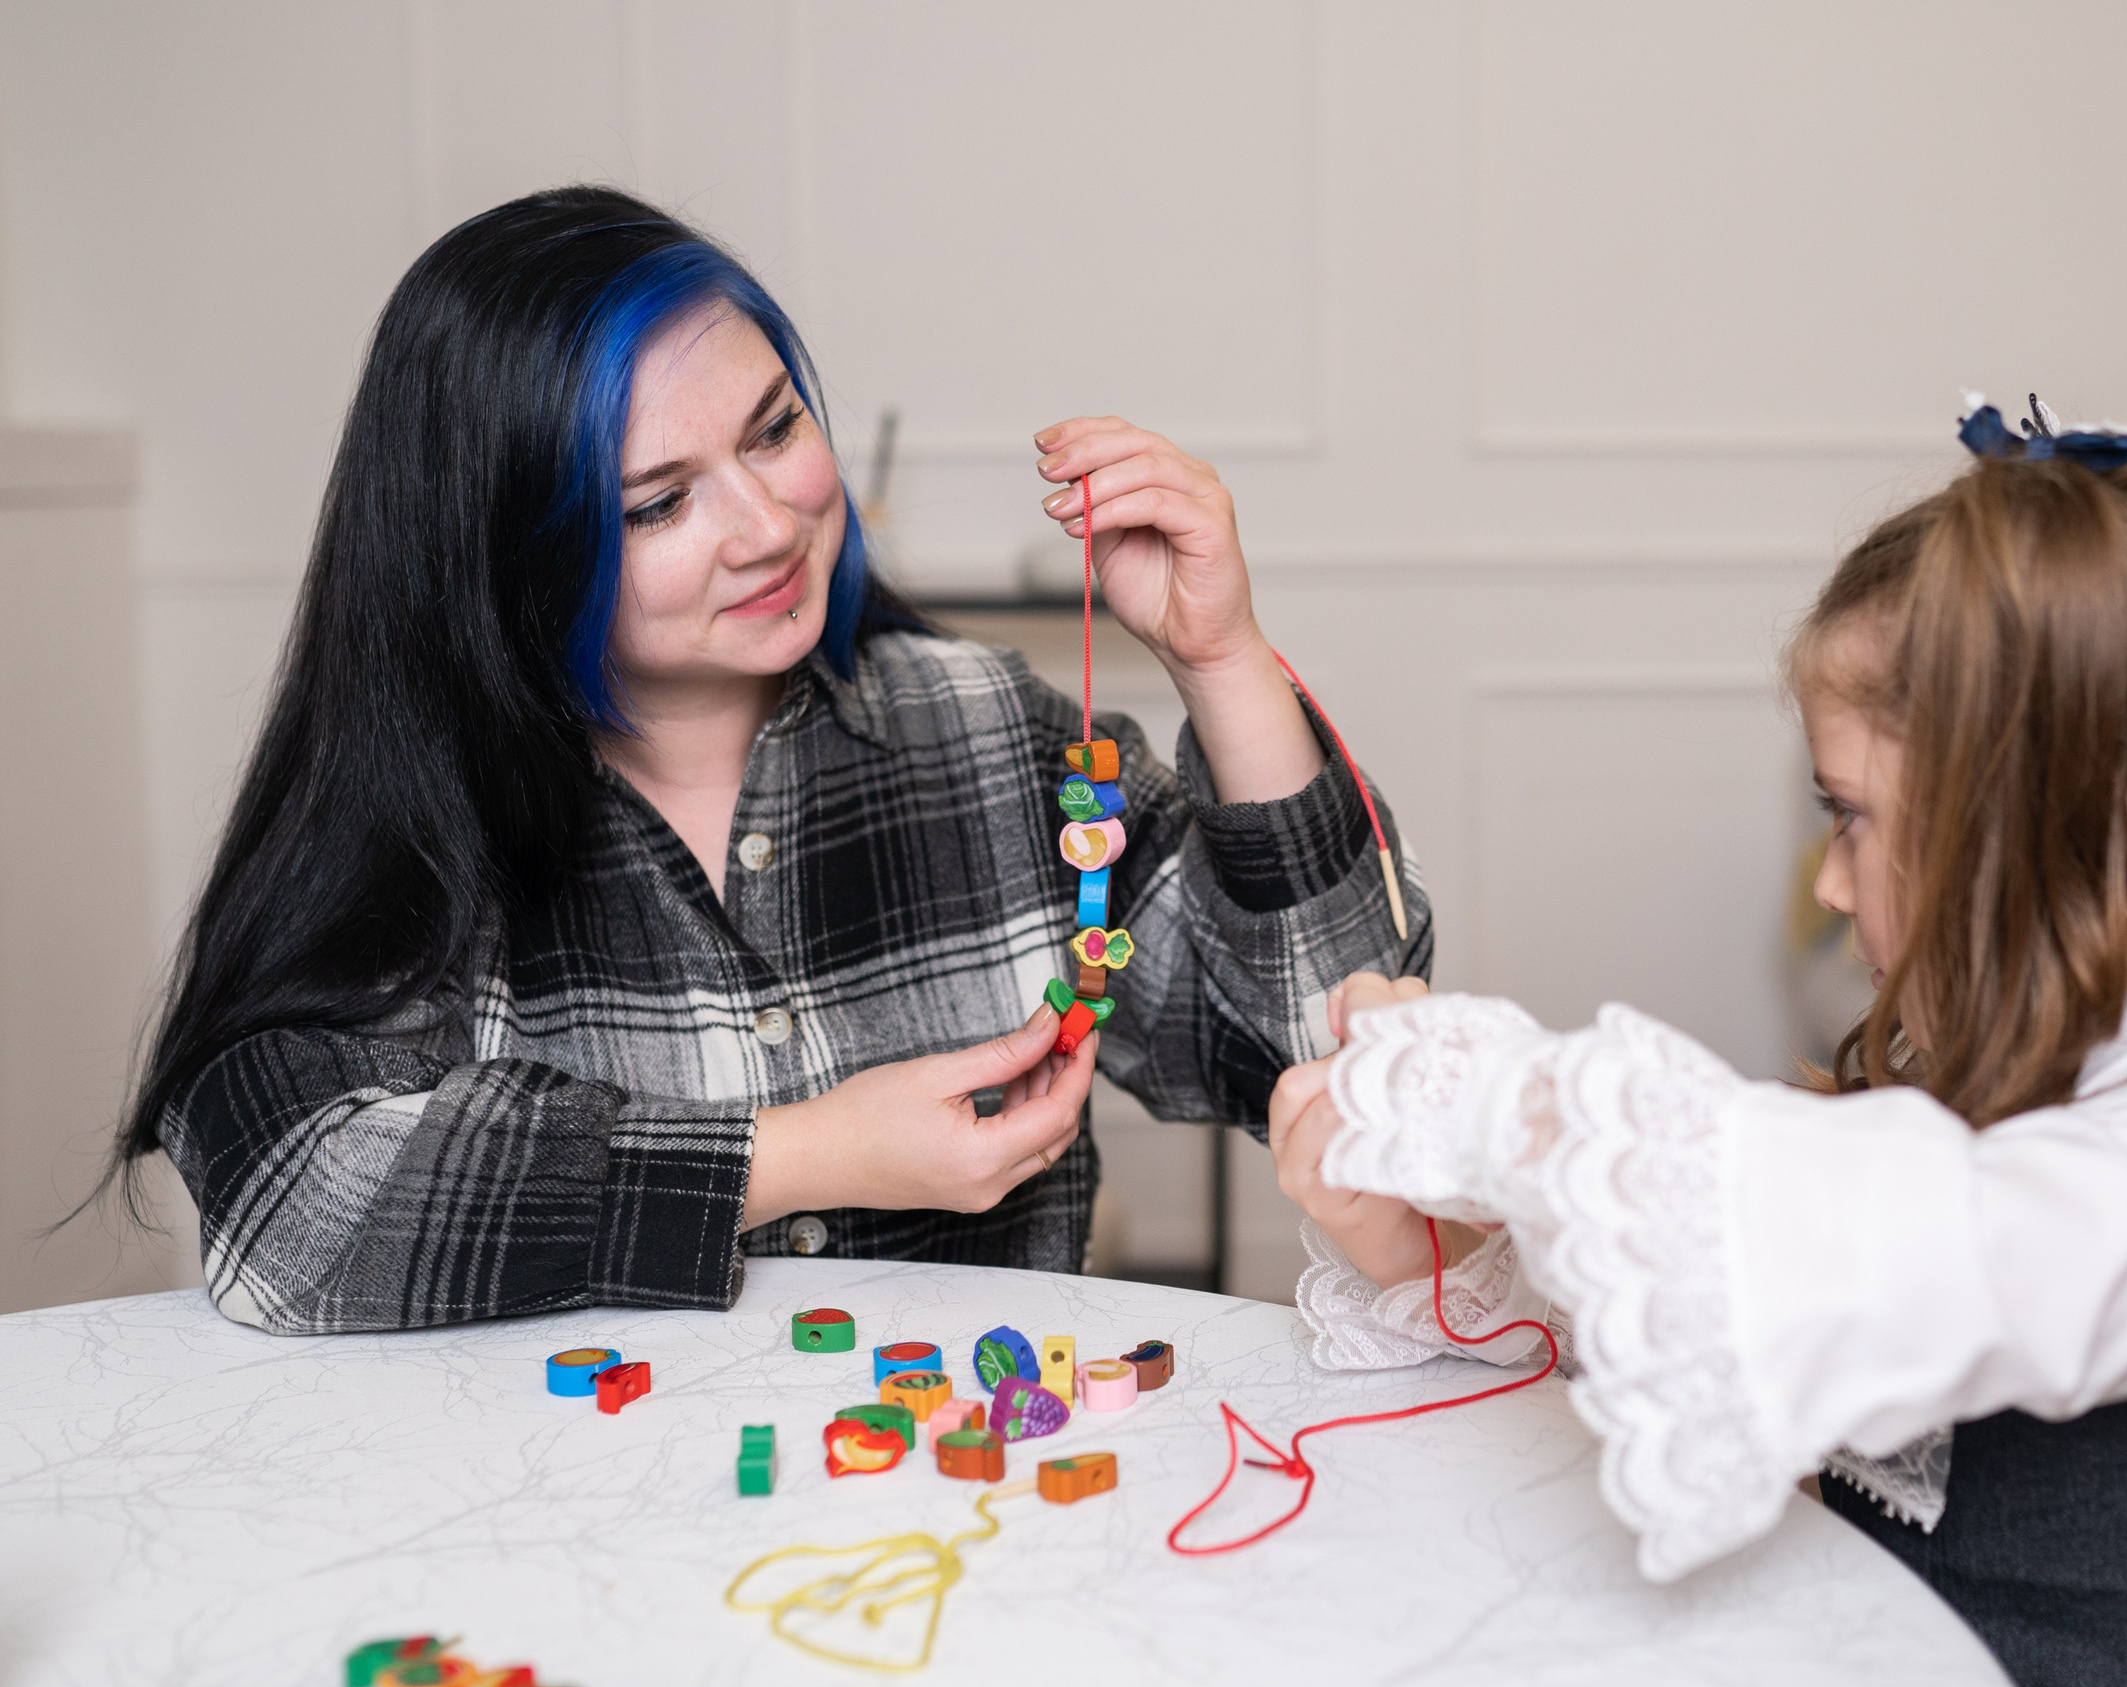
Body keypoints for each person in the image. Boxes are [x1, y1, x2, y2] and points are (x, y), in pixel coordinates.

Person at [1267, 405, 2127, 1687]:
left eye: (1855, 818)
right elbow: (1763, 1339)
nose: (1830, 883)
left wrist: (1490, 1099)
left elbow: (1913, 1241)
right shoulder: (2027, 1054)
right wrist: (1438, 1258)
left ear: (2057, 829)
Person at [117, 186, 1427, 1333]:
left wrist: (1221, 656)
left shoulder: (989, 731)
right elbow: (291, 1206)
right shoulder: (427, 808)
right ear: (505, 552)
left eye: (772, 430)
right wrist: (794, 1157)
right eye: (658, 502)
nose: (765, 525)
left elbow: (1332, 1046)